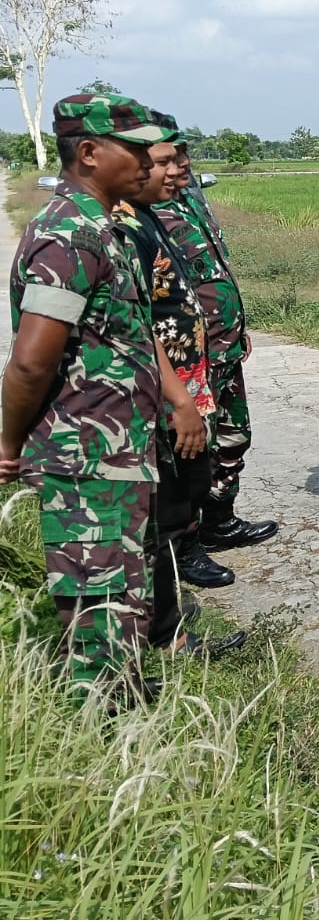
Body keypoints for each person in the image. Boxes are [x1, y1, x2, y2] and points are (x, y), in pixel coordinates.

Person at [1, 94, 178, 696]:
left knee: (122, 591)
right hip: (85, 457)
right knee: (99, 598)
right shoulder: (69, 235)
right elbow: (30, 362)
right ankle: (106, 732)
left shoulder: (103, 225)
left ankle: (123, 704)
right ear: (89, 152)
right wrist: (8, 441)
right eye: (134, 149)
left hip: (116, 450)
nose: (148, 160)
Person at [113, 135, 238, 619]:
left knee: (191, 472)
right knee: (174, 484)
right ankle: (176, 573)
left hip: (187, 368)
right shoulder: (120, 226)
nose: (174, 170)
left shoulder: (147, 217)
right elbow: (140, 324)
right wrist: (179, 397)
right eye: (162, 162)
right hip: (163, 384)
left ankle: (178, 571)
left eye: (177, 161)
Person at [153, 131, 279, 553]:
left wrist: (236, 329)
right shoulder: (141, 213)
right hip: (186, 359)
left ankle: (220, 522)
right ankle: (183, 547)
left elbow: (215, 271)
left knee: (232, 436)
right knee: (189, 450)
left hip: (223, 347)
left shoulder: (190, 201)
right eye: (169, 157)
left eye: (184, 154)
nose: (181, 164)